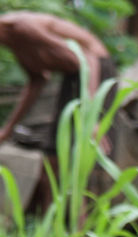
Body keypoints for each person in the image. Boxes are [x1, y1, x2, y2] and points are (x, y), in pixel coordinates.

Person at [0, 12, 114, 150]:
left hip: (96, 70)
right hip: (72, 74)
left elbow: (88, 58)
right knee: (55, 145)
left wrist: (92, 117)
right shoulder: (13, 41)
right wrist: (7, 130)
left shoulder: (23, 28)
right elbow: (37, 81)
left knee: (92, 141)